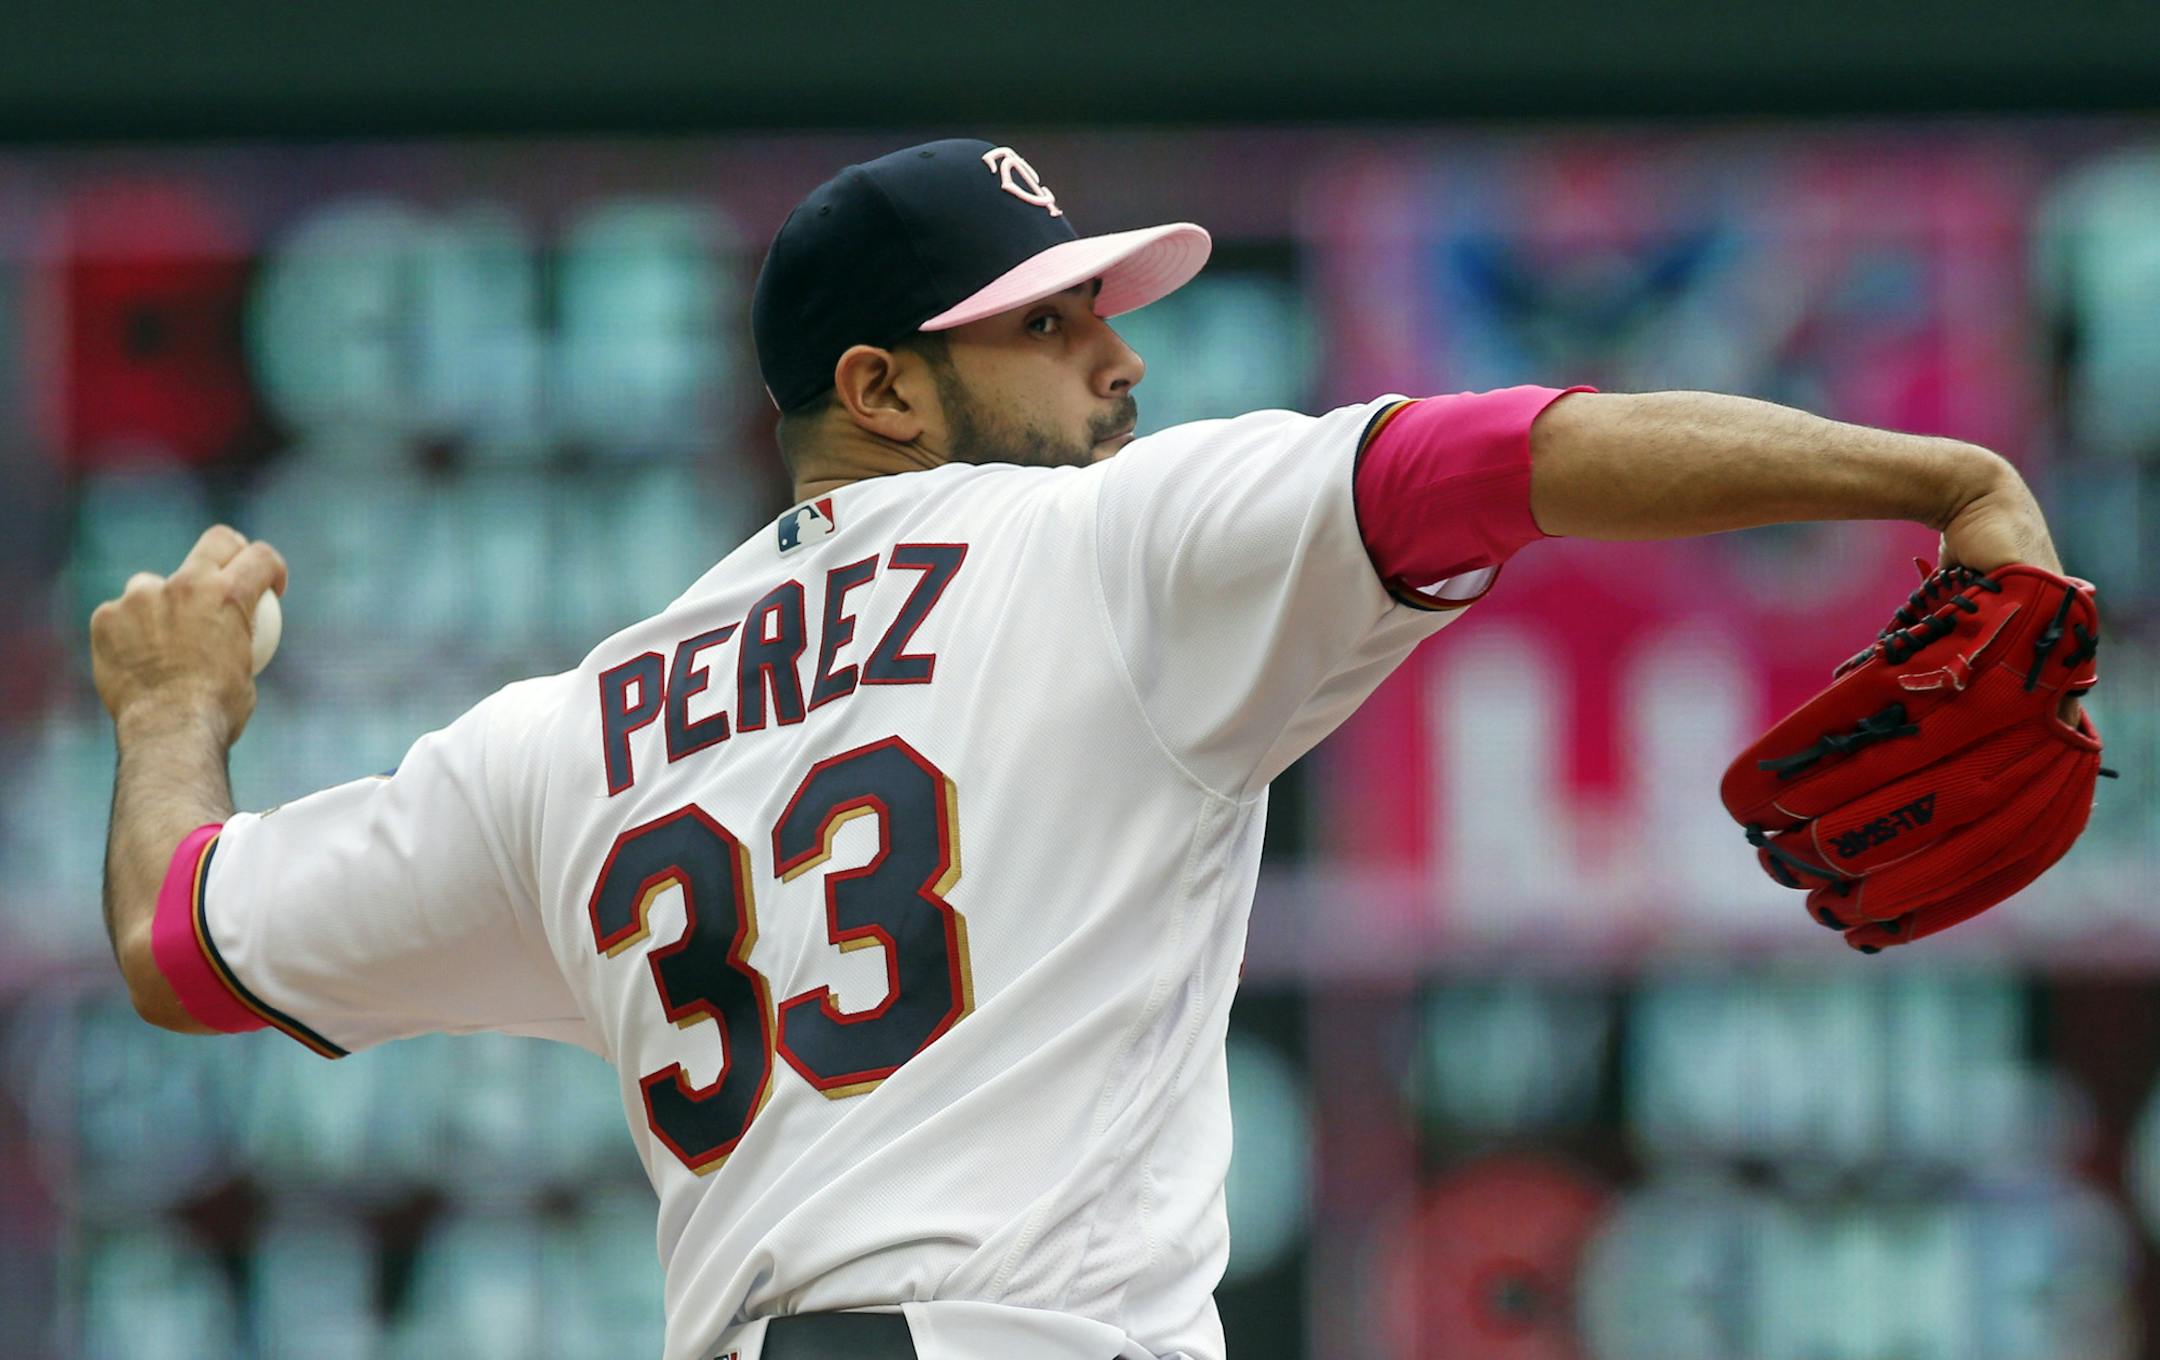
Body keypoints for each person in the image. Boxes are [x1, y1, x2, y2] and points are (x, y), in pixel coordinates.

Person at [92, 139, 2068, 1360]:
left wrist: (173, 715)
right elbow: (1500, 455)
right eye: (1046, 322)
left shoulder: (569, 733)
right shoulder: (1102, 545)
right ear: (880, 385)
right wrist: (1941, 469)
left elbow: (188, 941)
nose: (1119, 358)